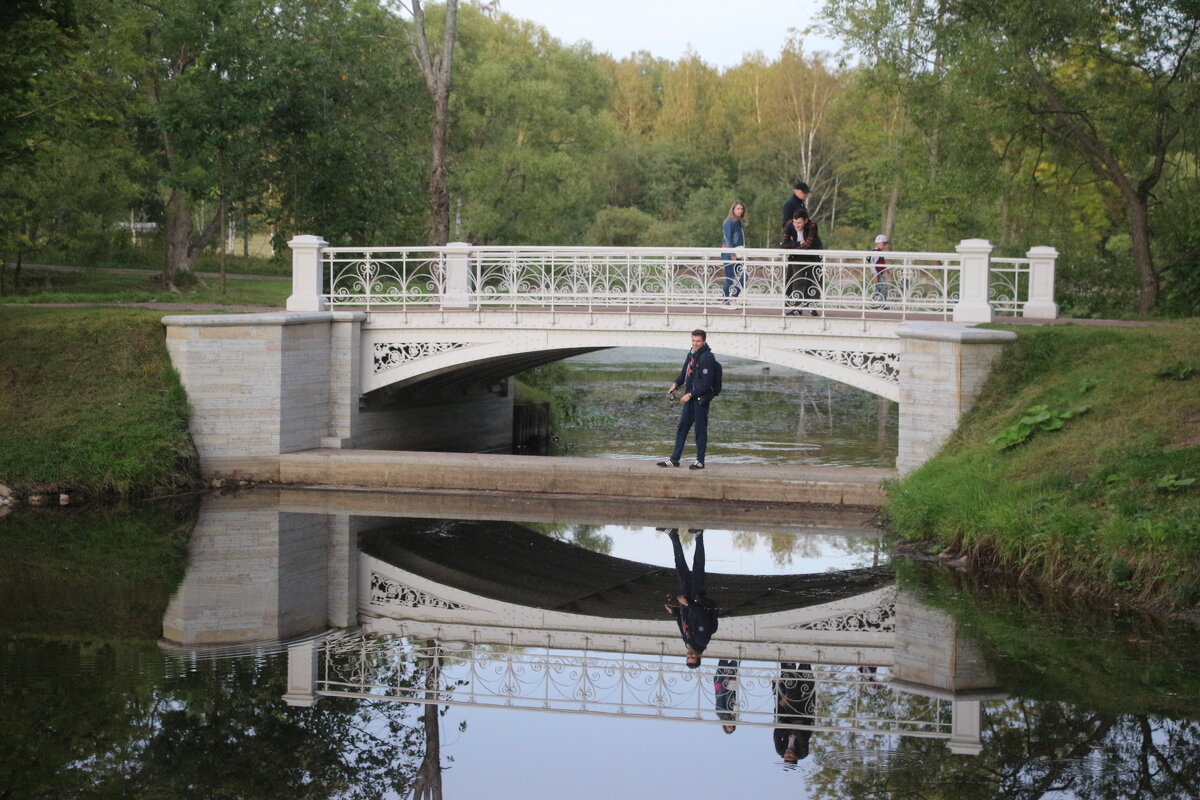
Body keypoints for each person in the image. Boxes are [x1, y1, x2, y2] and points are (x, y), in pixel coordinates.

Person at [657, 329, 718, 470]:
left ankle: (700, 462)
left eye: (698, 341)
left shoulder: (707, 357)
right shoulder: (691, 354)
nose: (695, 343)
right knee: (682, 427)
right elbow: (685, 373)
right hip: (690, 399)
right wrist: (676, 384)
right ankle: (674, 460)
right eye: (693, 340)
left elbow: (706, 383)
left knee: (700, 430)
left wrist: (690, 394)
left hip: (700, 400)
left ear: (704, 342)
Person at [662, 528, 719, 668]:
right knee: (698, 567)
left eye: (688, 657)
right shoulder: (701, 641)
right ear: (699, 657)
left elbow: (684, 625)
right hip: (695, 599)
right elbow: (701, 616)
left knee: (680, 567)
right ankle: (699, 536)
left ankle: (673, 535)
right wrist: (687, 604)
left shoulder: (688, 643)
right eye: (692, 657)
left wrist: (675, 613)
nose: (689, 655)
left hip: (687, 603)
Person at [780, 208, 824, 316]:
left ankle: (813, 307)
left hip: (813, 257)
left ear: (805, 220)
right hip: (797, 257)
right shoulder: (789, 225)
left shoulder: (812, 225)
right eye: (795, 222)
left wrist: (793, 245)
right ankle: (796, 308)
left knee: (814, 281)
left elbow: (808, 244)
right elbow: (784, 244)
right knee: (797, 281)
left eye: (799, 222)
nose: (796, 225)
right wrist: (799, 243)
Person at [773, 663, 816, 763]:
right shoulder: (802, 753)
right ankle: (804, 664)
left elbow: (776, 734)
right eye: (790, 757)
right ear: (795, 758)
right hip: (804, 718)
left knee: (790, 693)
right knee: (807, 688)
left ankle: (788, 666)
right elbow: (801, 738)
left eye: (786, 757)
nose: (787, 754)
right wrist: (791, 728)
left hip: (789, 716)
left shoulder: (780, 750)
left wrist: (786, 726)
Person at [721, 202, 747, 304]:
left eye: (742, 209)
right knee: (729, 278)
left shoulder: (739, 223)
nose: (740, 211)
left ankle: (733, 297)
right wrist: (732, 254)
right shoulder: (729, 222)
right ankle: (725, 300)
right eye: (738, 209)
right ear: (733, 210)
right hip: (729, 253)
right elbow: (728, 239)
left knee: (744, 276)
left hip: (739, 253)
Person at [714, 658, 739, 733]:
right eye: (732, 726)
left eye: (729, 726)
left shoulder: (721, 713)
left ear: (724, 725)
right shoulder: (730, 713)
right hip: (729, 681)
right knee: (737, 658)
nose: (731, 725)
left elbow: (720, 696)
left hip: (722, 681)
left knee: (724, 657)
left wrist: (726, 681)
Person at [870, 233, 891, 305]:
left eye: (885, 244)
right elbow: (872, 263)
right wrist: (875, 275)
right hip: (877, 274)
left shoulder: (879, 252)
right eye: (883, 244)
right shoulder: (875, 252)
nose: (885, 246)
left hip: (879, 273)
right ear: (878, 244)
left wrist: (886, 269)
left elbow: (881, 263)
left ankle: (874, 304)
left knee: (878, 289)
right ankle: (881, 304)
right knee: (883, 288)